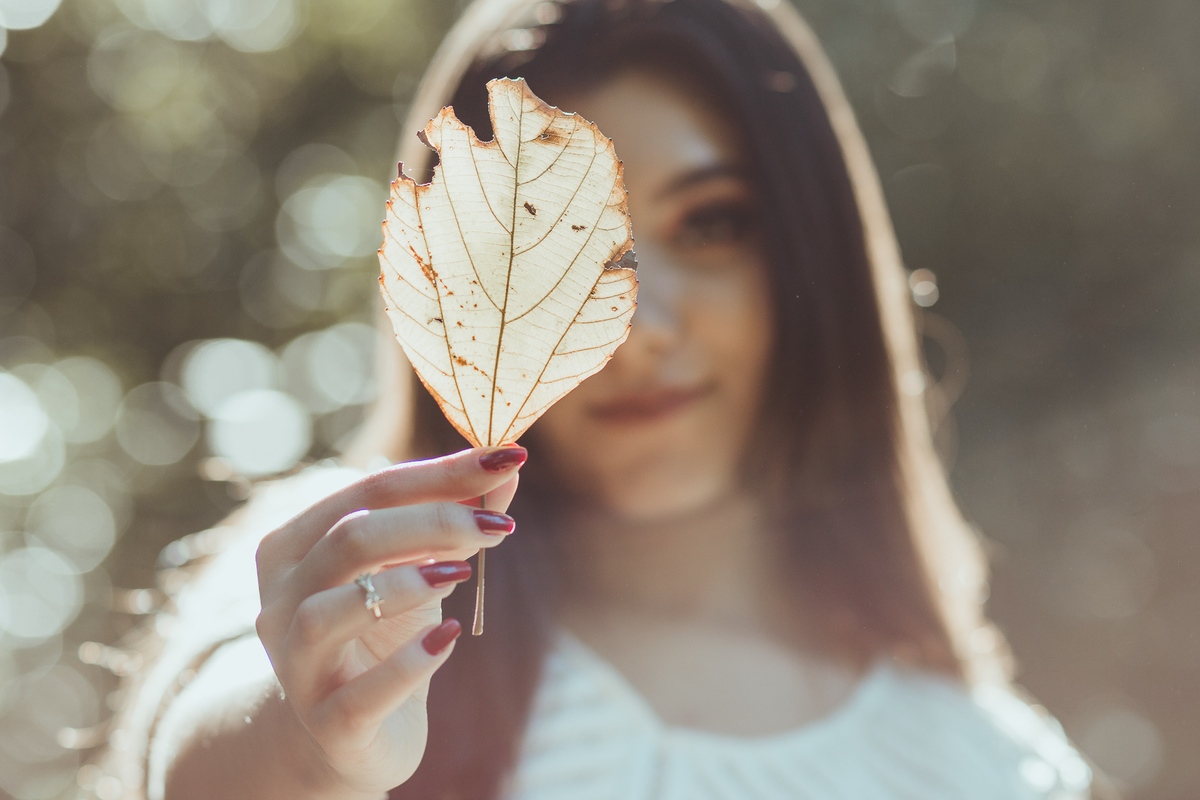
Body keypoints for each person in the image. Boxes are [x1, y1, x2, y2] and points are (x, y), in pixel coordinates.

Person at [96, 1, 1096, 798]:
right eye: (561, 246)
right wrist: (310, 747)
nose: (636, 321)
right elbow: (208, 750)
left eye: (712, 224)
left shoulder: (987, 761)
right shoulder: (361, 583)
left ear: (811, 256)